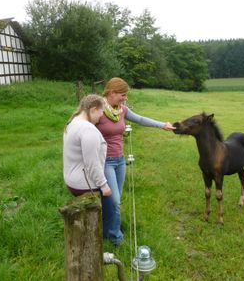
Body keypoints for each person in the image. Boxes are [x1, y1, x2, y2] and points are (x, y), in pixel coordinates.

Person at [96, 77, 175, 246]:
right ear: (111, 92)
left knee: (113, 200)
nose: (125, 98)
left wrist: (162, 125)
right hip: (105, 162)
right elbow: (81, 125)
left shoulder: (122, 110)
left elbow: (140, 119)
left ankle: (105, 231)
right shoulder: (97, 110)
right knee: (115, 200)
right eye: (122, 95)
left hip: (120, 161)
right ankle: (116, 237)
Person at [63, 94, 112, 197]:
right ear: (93, 110)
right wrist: (104, 186)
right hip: (85, 185)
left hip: (72, 181)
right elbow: (92, 162)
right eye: (101, 111)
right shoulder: (88, 129)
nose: (101, 115)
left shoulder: (72, 122)